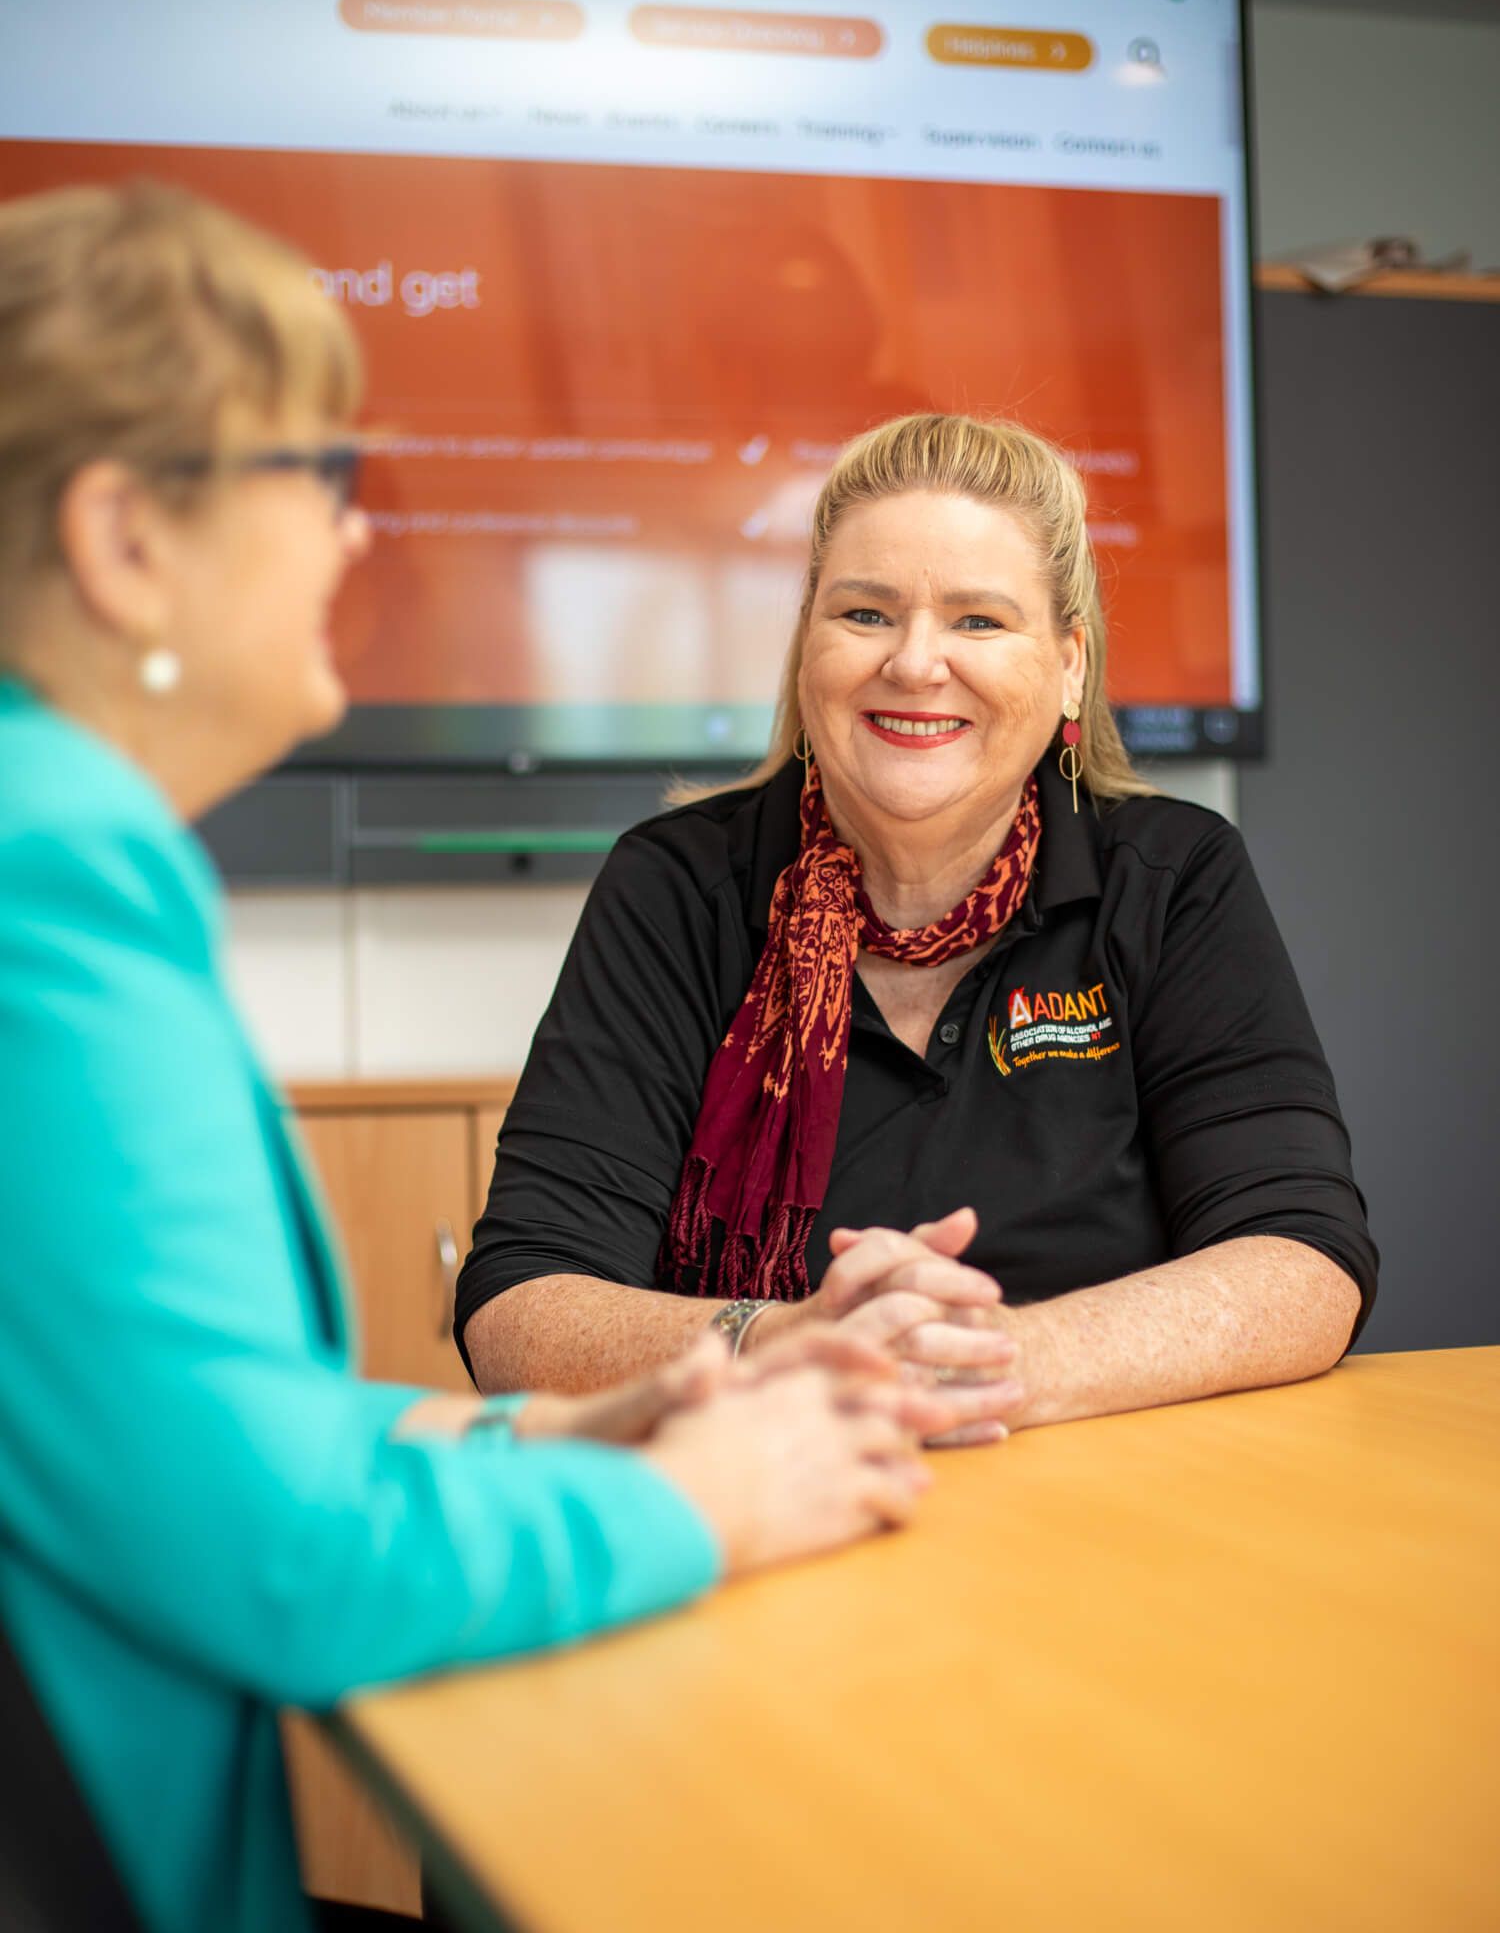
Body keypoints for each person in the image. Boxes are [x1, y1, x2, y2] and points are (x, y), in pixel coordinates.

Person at [0, 183, 954, 1933]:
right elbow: (279, 1563)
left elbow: (166, 1431)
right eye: (324, 482)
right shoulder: (41, 883)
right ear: (126, 537)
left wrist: (558, 1438)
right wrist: (704, 1503)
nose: (363, 543)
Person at [459, 412, 1377, 1437]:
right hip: (770, 1493)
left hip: (1116, 1514)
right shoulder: (676, 888)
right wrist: (784, 1345)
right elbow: (520, 1304)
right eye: (865, 612)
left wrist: (997, 1362)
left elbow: (1303, 1257)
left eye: (979, 621)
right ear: (808, 641)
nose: (915, 662)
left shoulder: (1171, 878)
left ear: (1070, 665)